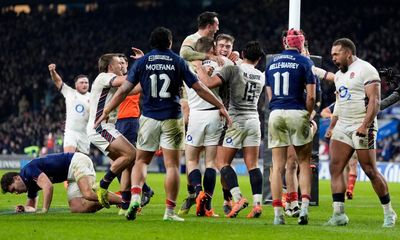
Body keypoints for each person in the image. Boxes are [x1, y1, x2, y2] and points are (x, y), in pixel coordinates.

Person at [95, 27, 231, 222]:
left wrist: (106, 110)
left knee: (141, 161)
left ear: (152, 43)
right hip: (172, 118)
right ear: (169, 42)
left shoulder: (142, 62)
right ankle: (169, 212)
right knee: (172, 166)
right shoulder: (178, 61)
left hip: (149, 117)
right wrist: (220, 105)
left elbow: (124, 90)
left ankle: (135, 197)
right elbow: (200, 88)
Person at [325, 38, 396, 227]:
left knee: (370, 170)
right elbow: (339, 103)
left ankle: (389, 213)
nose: (333, 58)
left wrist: (365, 125)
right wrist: (332, 126)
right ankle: (338, 214)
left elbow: (375, 100)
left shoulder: (366, 69)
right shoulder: (339, 76)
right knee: (335, 168)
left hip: (363, 124)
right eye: (332, 54)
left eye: (336, 54)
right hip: (343, 125)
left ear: (348, 53)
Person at [196, 41, 265, 218]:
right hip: (254, 121)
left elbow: (208, 83)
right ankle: (257, 205)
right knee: (253, 165)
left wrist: (197, 64)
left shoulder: (233, 69)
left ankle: (237, 197)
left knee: (222, 163)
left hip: (236, 121)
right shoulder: (260, 75)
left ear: (242, 53)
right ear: (258, 59)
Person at [265, 29, 316, 225]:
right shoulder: (305, 62)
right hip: (297, 111)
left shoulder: (271, 64)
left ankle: (278, 214)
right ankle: (303, 209)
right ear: (301, 44)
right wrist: (307, 114)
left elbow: (270, 95)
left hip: (276, 112)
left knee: (277, 166)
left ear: (285, 43)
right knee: (303, 163)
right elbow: (311, 96)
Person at [87, 52, 141, 210]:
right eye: (119, 63)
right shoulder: (103, 77)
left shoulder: (113, 83)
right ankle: (102, 184)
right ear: (110, 66)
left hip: (106, 126)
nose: (122, 65)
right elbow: (126, 79)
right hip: (100, 127)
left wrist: (149, 73)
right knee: (132, 153)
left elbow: (134, 89)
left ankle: (125, 205)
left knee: (128, 161)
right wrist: (142, 64)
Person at [178, 37, 223, 218]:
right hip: (214, 113)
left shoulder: (187, 65)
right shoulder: (220, 64)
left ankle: (198, 193)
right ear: (212, 48)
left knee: (191, 161)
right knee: (211, 163)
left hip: (196, 114)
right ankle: (208, 206)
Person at [1, 152, 121, 213]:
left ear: (16, 178)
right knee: (77, 208)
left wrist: (44, 210)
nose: (16, 193)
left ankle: (125, 200)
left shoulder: (28, 171)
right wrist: (25, 208)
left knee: (88, 194)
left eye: (13, 189)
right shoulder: (29, 184)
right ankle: (115, 197)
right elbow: (32, 207)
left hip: (76, 162)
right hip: (70, 176)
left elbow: (48, 186)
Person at [115, 54, 154, 214]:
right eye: (119, 63)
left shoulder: (131, 80)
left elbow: (141, 84)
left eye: (124, 63)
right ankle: (143, 190)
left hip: (129, 121)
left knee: (124, 161)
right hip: (117, 122)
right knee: (122, 162)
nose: (121, 65)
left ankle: (133, 196)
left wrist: (142, 60)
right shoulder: (112, 80)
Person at [48, 64, 90, 154]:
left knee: (82, 163)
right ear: (76, 85)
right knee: (69, 159)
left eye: (86, 82)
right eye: (81, 83)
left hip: (85, 134)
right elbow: (58, 81)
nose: (84, 85)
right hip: (71, 132)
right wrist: (52, 71)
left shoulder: (93, 97)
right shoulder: (69, 92)